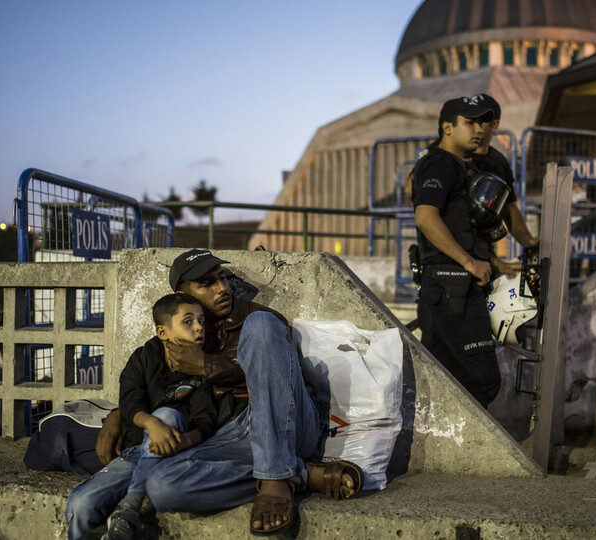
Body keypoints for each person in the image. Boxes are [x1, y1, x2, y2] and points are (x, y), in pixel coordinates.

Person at [71, 249, 363, 538]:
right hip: (232, 437)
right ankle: (299, 475)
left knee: (260, 327)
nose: (222, 288)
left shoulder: (259, 319)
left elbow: (280, 376)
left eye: (222, 278)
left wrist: (206, 366)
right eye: (206, 283)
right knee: (163, 484)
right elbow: (161, 390)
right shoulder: (174, 341)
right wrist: (120, 414)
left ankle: (276, 477)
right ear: (182, 293)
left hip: (284, 421)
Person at [411, 97, 536, 408]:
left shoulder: (462, 166)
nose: (479, 129)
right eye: (470, 122)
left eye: (484, 122)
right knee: (482, 379)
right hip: (452, 287)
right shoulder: (439, 163)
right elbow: (426, 218)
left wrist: (493, 261)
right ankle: (465, 452)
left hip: (455, 285)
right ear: (448, 127)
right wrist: (469, 262)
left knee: (441, 377)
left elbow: (463, 230)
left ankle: (445, 451)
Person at [74, 293, 220, 540]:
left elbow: (206, 419)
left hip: (173, 455)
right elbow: (129, 404)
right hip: (135, 454)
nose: (198, 328)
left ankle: (129, 509)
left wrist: (186, 440)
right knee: (81, 504)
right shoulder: (143, 358)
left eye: (201, 321)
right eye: (188, 321)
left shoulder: (203, 367)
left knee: (166, 415)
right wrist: (151, 424)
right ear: (163, 333)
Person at [466, 94, 538, 276]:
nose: (475, 125)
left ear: (494, 124)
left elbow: (508, 207)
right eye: (470, 119)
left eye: (481, 119)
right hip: (452, 257)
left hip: (483, 254)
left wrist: (529, 241)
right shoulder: (451, 154)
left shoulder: (498, 163)